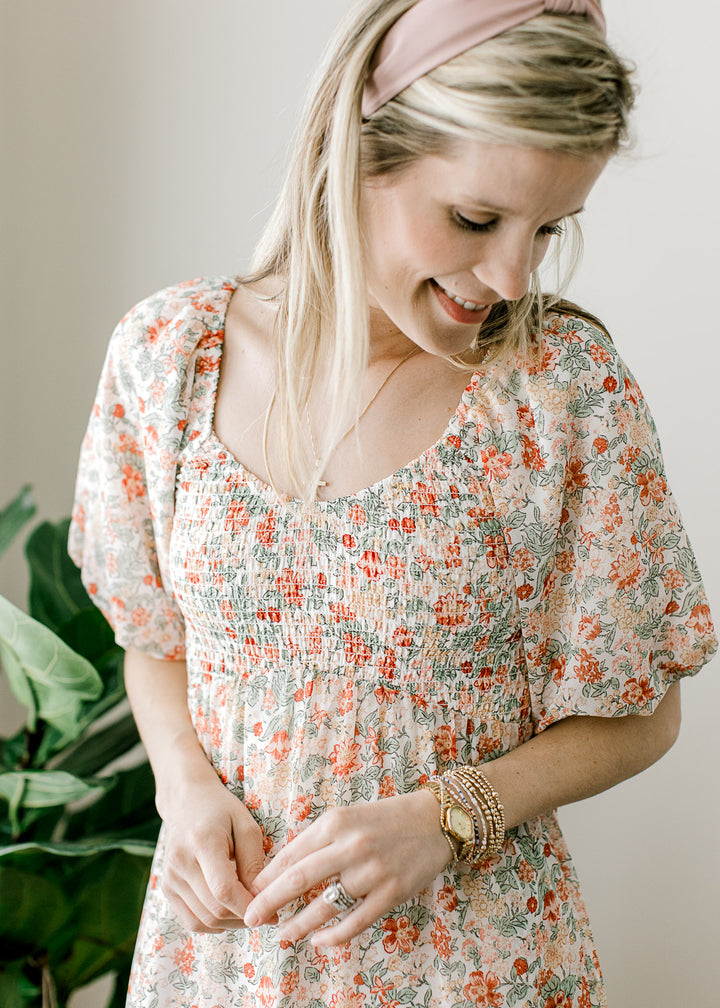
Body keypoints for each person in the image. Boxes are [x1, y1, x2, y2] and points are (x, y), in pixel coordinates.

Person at [69, 1, 717, 1006]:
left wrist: (450, 817)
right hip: (222, 968)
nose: (510, 275)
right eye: (475, 218)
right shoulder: (168, 360)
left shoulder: (560, 392)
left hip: (477, 970)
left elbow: (643, 712)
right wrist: (184, 786)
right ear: (360, 152)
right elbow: (153, 630)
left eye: (548, 229)